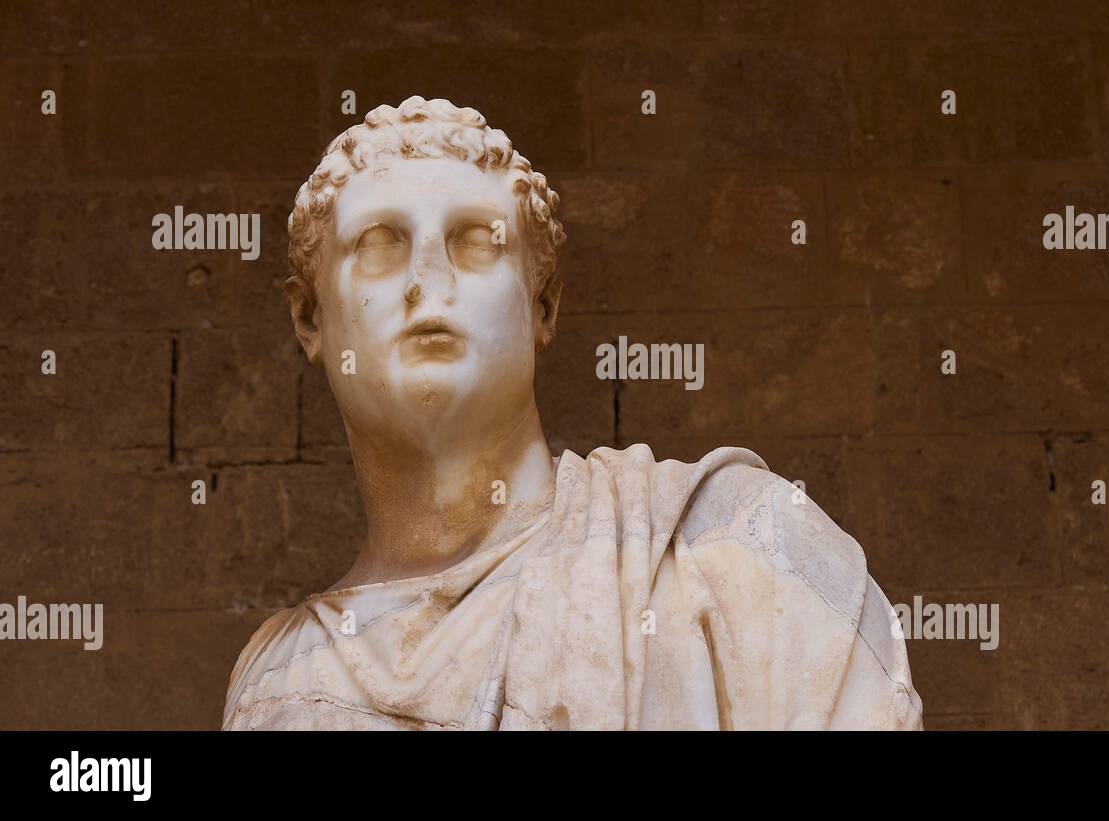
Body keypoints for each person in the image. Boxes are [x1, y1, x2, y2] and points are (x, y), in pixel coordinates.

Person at [222, 96, 922, 730]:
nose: (427, 283)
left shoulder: (739, 549)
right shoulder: (279, 683)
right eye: (380, 245)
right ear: (310, 317)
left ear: (543, 306)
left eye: (475, 243)